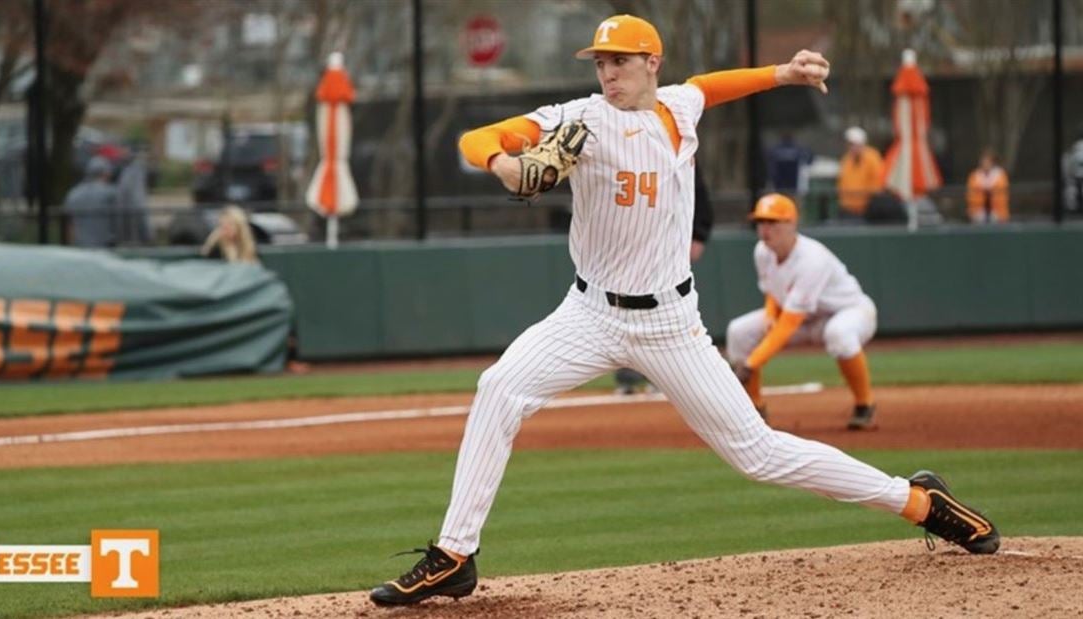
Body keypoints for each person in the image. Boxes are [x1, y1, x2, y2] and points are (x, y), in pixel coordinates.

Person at [369, 14, 999, 608]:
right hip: (587, 314)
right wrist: (505, 162)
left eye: (619, 62)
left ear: (652, 63)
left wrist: (783, 73)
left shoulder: (679, 105)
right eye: (600, 63)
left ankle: (917, 501)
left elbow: (709, 87)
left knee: (758, 454)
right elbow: (476, 137)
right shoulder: (581, 119)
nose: (607, 74)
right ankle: (455, 554)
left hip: (670, 324)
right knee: (499, 387)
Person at [726, 193, 878, 429]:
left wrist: (751, 363)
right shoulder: (762, 252)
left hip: (847, 312)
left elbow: (789, 323)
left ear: (792, 224)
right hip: (803, 317)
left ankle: (864, 404)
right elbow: (772, 290)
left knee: (839, 333)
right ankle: (755, 409)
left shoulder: (812, 259)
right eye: (761, 222)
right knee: (738, 331)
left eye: (773, 222)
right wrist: (769, 313)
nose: (765, 229)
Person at [615, 164, 712, 395]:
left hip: (668, 245)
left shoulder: (676, 145)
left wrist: (699, 234)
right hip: (628, 245)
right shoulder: (621, 147)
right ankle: (628, 372)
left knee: (665, 309)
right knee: (622, 307)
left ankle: (666, 373)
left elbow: (699, 193)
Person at [201, 206, 310, 374]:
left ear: (239, 227)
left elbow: (259, 276)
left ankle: (290, 359)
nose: (225, 230)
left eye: (229, 225)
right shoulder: (215, 248)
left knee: (284, 308)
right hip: (222, 300)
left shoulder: (250, 248)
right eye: (223, 226)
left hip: (247, 298)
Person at [64, 156, 119, 248]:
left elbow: (69, 225)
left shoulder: (74, 193)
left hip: (80, 247)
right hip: (104, 247)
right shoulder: (111, 192)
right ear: (105, 173)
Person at [836, 126, 884, 219]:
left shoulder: (872, 157)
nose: (852, 147)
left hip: (867, 209)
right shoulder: (846, 159)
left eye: (854, 144)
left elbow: (877, 182)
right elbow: (842, 182)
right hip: (847, 208)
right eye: (850, 144)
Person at [965, 149, 1009, 224]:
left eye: (988, 161)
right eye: (984, 160)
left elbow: (1002, 196)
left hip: (998, 214)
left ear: (993, 162)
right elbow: (971, 196)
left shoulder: (1001, 175)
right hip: (977, 214)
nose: (985, 163)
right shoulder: (974, 176)